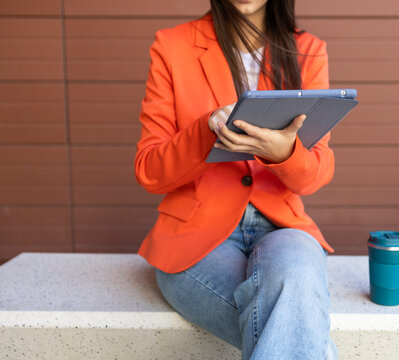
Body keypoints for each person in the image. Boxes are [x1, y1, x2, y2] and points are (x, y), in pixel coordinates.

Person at [134, 0, 338, 358]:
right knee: (299, 322)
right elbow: (150, 170)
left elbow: (317, 173)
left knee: (298, 276)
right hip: (194, 239)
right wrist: (206, 129)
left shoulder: (308, 50)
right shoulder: (172, 45)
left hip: (283, 226)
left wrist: (285, 154)